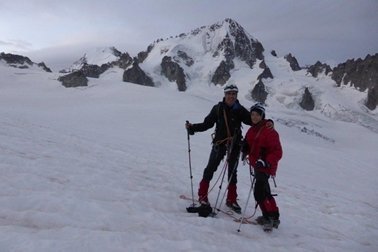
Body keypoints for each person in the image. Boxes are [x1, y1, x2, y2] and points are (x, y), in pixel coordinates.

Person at [186, 83, 251, 213]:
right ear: (225, 95)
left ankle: (231, 199)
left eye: (234, 94)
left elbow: (253, 120)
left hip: (235, 145)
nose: (231, 96)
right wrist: (193, 128)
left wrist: (267, 123)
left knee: (232, 172)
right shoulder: (218, 109)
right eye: (229, 94)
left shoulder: (240, 110)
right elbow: (207, 124)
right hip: (220, 144)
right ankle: (203, 196)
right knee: (210, 169)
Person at [242, 103, 283, 231]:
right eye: (252, 114)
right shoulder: (252, 129)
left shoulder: (269, 131)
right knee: (265, 192)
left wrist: (266, 162)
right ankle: (274, 216)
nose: (254, 117)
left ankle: (268, 217)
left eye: (257, 115)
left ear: (262, 116)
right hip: (257, 165)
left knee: (259, 192)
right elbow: (249, 143)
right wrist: (245, 149)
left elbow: (277, 152)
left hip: (265, 166)